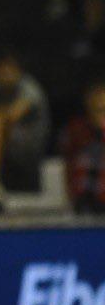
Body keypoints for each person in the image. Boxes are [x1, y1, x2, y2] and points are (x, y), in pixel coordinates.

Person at [0, 53, 50, 206]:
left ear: (18, 70)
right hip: (2, 145)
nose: (4, 73)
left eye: (9, 69)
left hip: (29, 148)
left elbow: (10, 116)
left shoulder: (29, 87)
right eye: (0, 69)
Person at [62, 82, 105, 213]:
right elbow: (68, 165)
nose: (100, 116)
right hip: (84, 202)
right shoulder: (77, 131)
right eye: (96, 109)